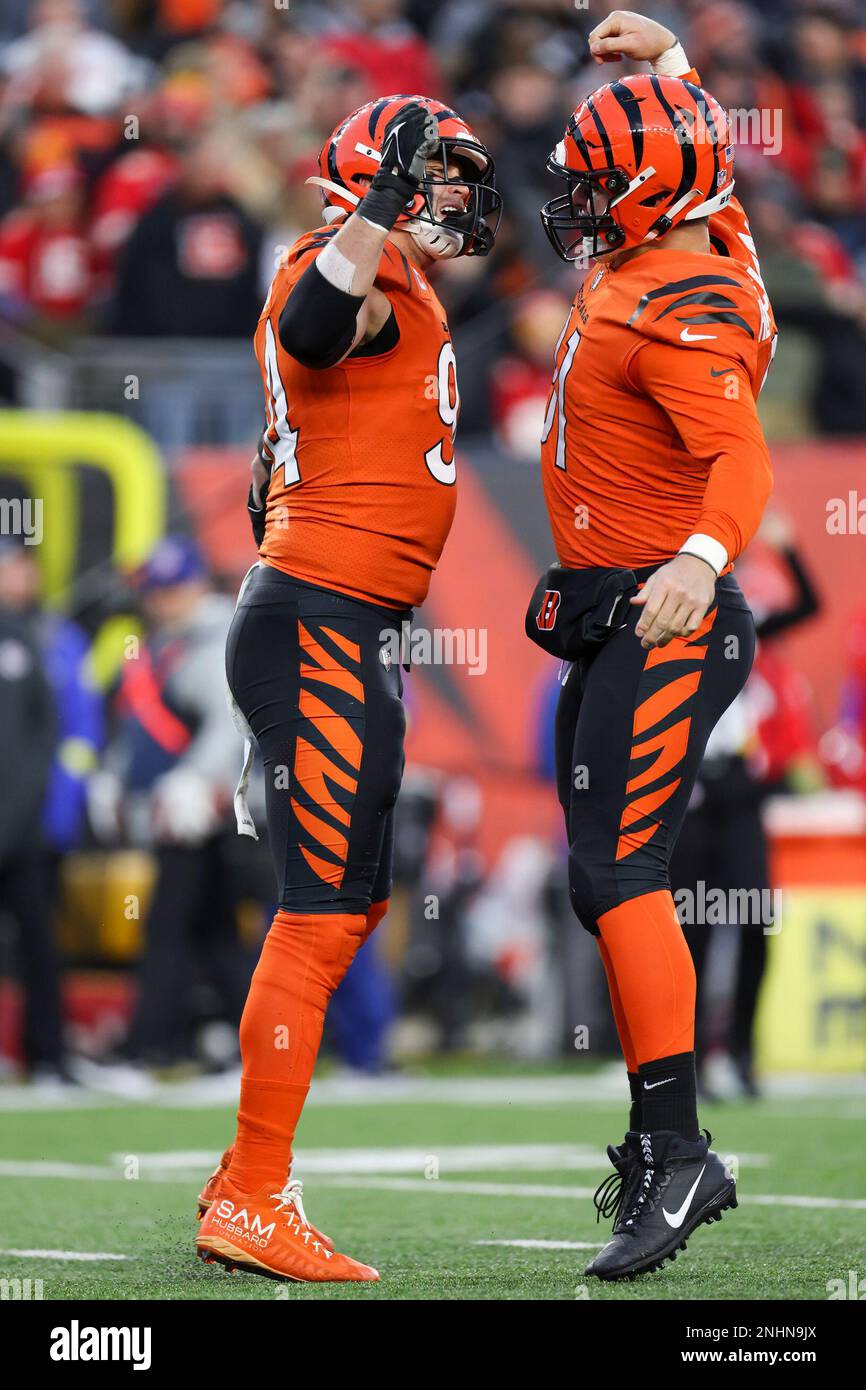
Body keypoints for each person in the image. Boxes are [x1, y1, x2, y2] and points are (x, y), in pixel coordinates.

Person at [194, 95, 501, 1283]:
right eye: (437, 178)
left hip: (327, 623)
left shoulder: (399, 281)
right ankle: (252, 1191)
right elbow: (321, 329)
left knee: (350, 906)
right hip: (318, 621)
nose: (458, 200)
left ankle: (247, 1184)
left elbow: (282, 476)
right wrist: (377, 207)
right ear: (378, 183)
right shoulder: (336, 273)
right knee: (318, 913)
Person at [529, 11, 776, 1282]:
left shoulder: (684, 285)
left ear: (646, 190)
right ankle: (660, 1136)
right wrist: (671, 64)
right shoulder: (692, 219)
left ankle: (676, 1153)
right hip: (617, 602)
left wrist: (696, 559)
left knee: (619, 873)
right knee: (597, 876)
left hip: (666, 607)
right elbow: (700, 161)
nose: (570, 197)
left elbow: (738, 454)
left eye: (590, 181)